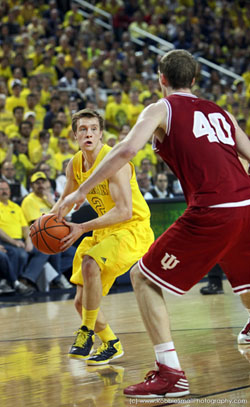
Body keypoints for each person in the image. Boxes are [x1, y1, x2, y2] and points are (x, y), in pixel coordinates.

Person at [57, 50, 250, 398]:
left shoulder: (162, 108)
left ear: (161, 78)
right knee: (245, 283)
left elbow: (126, 151)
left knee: (142, 278)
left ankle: (170, 373)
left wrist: (80, 193)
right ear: (194, 79)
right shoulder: (221, 112)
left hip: (214, 207)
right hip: (246, 204)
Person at [50, 108, 154, 365]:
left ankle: (85, 333)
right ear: (75, 135)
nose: (89, 134)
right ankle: (111, 343)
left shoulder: (114, 161)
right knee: (81, 303)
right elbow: (65, 199)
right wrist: (47, 220)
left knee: (89, 262)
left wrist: (81, 228)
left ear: (101, 134)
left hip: (132, 228)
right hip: (105, 230)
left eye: (93, 129)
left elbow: (124, 211)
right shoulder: (75, 163)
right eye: (83, 129)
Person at [21, 171, 73, 290]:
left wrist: (51, 203)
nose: (41, 185)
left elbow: (65, 218)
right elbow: (40, 226)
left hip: (53, 235)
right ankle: (56, 278)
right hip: (37, 236)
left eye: (43, 181)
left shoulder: (50, 199)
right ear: (31, 186)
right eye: (37, 183)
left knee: (73, 253)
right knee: (53, 248)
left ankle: (54, 274)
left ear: (48, 184)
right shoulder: (29, 200)